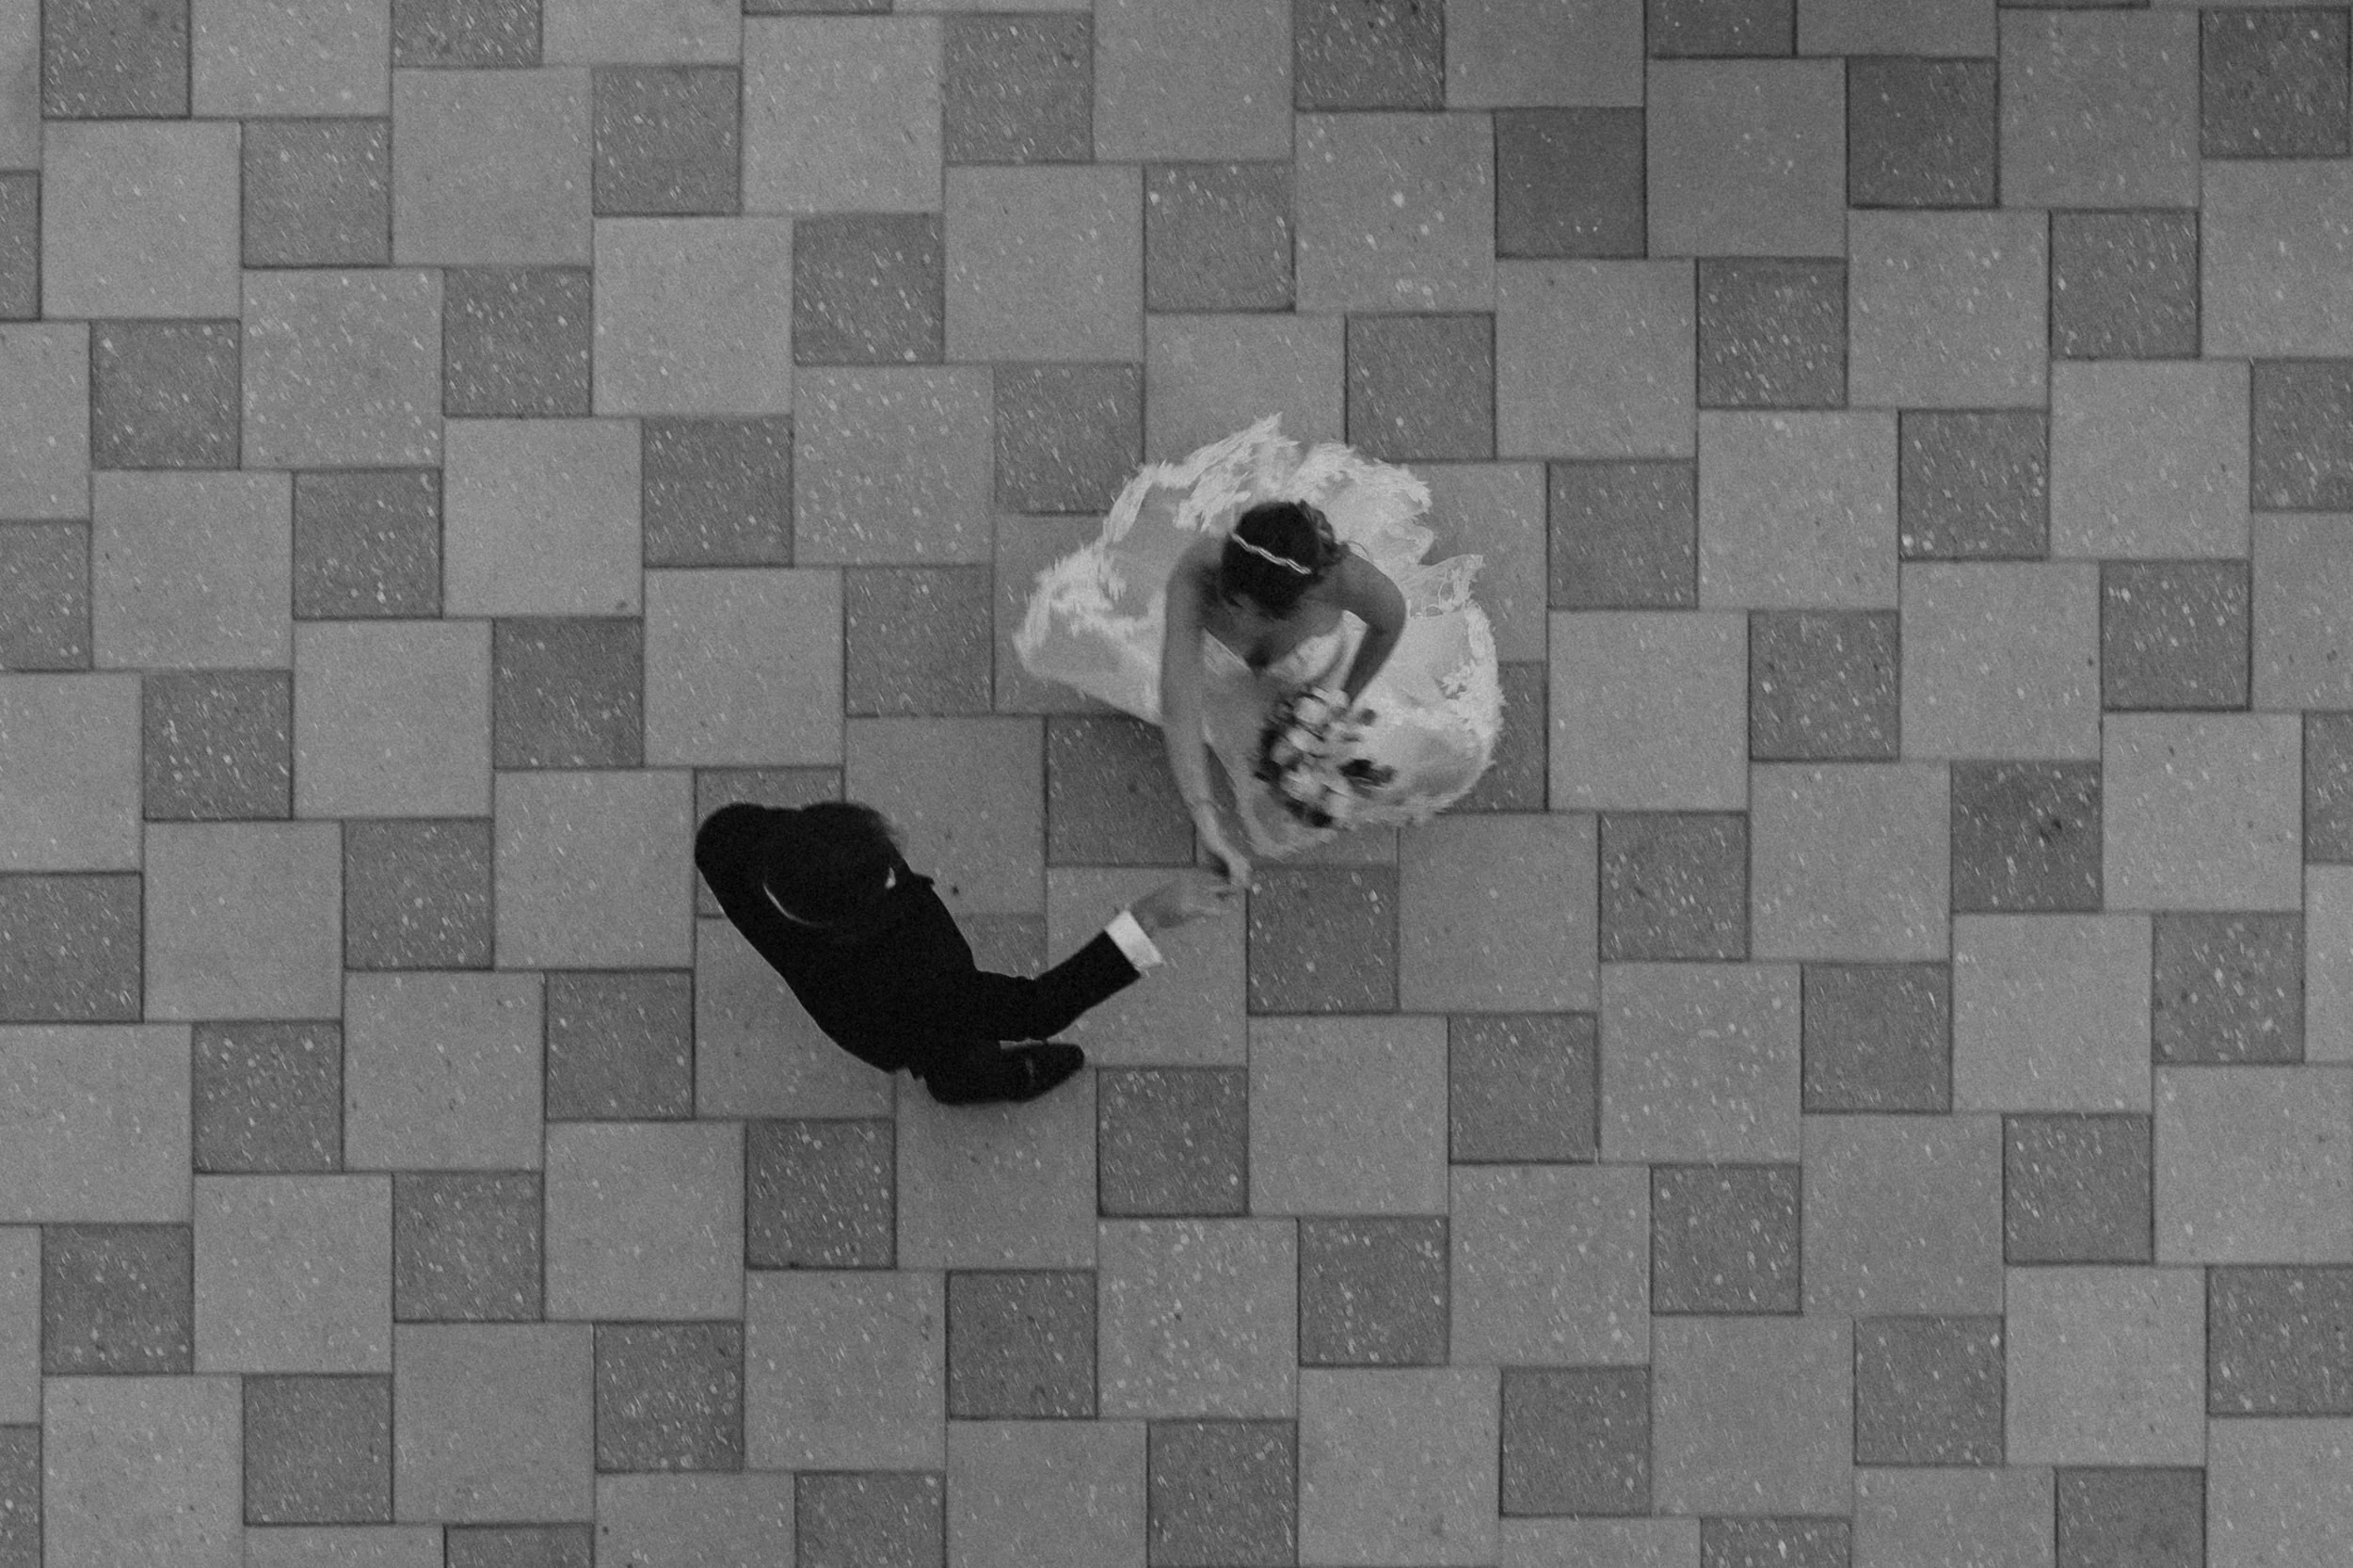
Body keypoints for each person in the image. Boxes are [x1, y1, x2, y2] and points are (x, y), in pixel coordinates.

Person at [1016, 417, 1503, 888]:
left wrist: (1340, 701)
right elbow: (1181, 704)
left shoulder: (1346, 581)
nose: (1237, 620)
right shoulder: (1197, 575)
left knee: (1373, 756)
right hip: (1232, 691)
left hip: (1317, 680)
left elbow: (1391, 620)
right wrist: (1207, 824)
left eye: (1255, 614)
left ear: (1300, 601)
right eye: (1232, 602)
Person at [695, 799, 1231, 1105]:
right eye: (889, 861)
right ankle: (972, 1084)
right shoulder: (918, 974)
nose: (899, 834)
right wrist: (1151, 918)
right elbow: (1037, 1007)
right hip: (903, 1018)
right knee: (952, 1053)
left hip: (841, 1009)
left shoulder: (726, 839)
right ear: (866, 908)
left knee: (932, 1043)